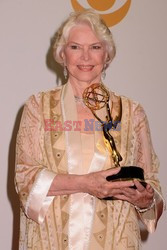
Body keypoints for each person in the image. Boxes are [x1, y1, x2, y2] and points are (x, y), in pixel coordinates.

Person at [15, 9, 164, 250]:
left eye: (95, 47)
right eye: (75, 47)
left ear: (108, 55)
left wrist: (145, 199)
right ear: (62, 54)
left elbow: (152, 185)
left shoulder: (132, 112)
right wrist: (86, 183)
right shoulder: (37, 107)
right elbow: (25, 179)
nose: (85, 56)